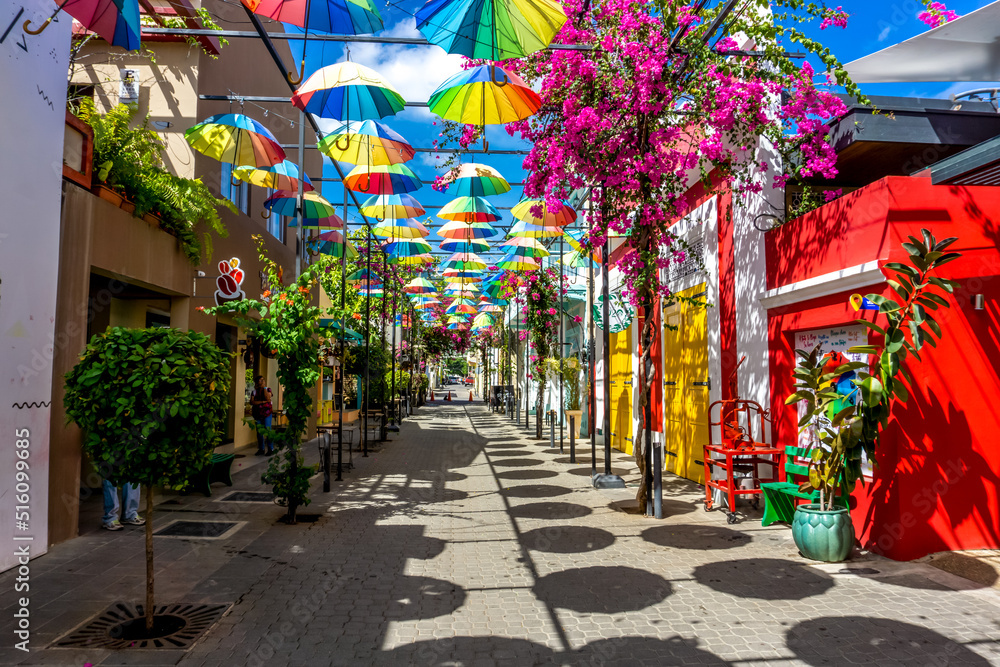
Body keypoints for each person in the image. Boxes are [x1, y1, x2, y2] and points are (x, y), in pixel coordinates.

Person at [251, 375, 274, 456]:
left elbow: (268, 398)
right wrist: (262, 402)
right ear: (257, 382)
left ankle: (270, 448)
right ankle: (261, 449)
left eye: (263, 380)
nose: (262, 382)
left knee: (268, 430)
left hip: (267, 413)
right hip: (257, 414)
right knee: (259, 432)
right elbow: (252, 402)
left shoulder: (268, 389)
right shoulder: (254, 391)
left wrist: (264, 388)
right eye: (260, 380)